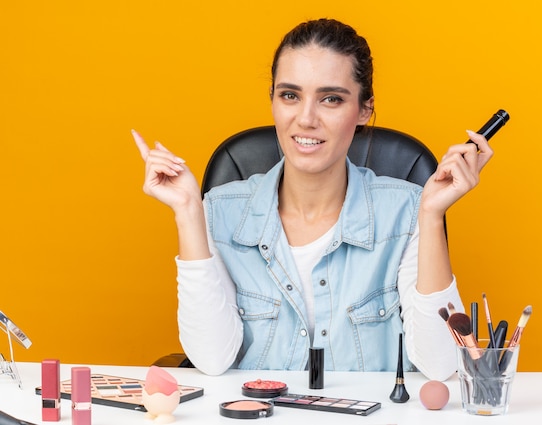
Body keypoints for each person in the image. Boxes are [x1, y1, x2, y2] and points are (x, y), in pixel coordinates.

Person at [133, 18, 493, 381]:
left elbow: (442, 363)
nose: (306, 119)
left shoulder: (407, 210)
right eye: (290, 95)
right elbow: (212, 359)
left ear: (364, 109)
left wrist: (430, 215)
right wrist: (188, 213)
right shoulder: (218, 210)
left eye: (331, 99)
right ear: (272, 100)